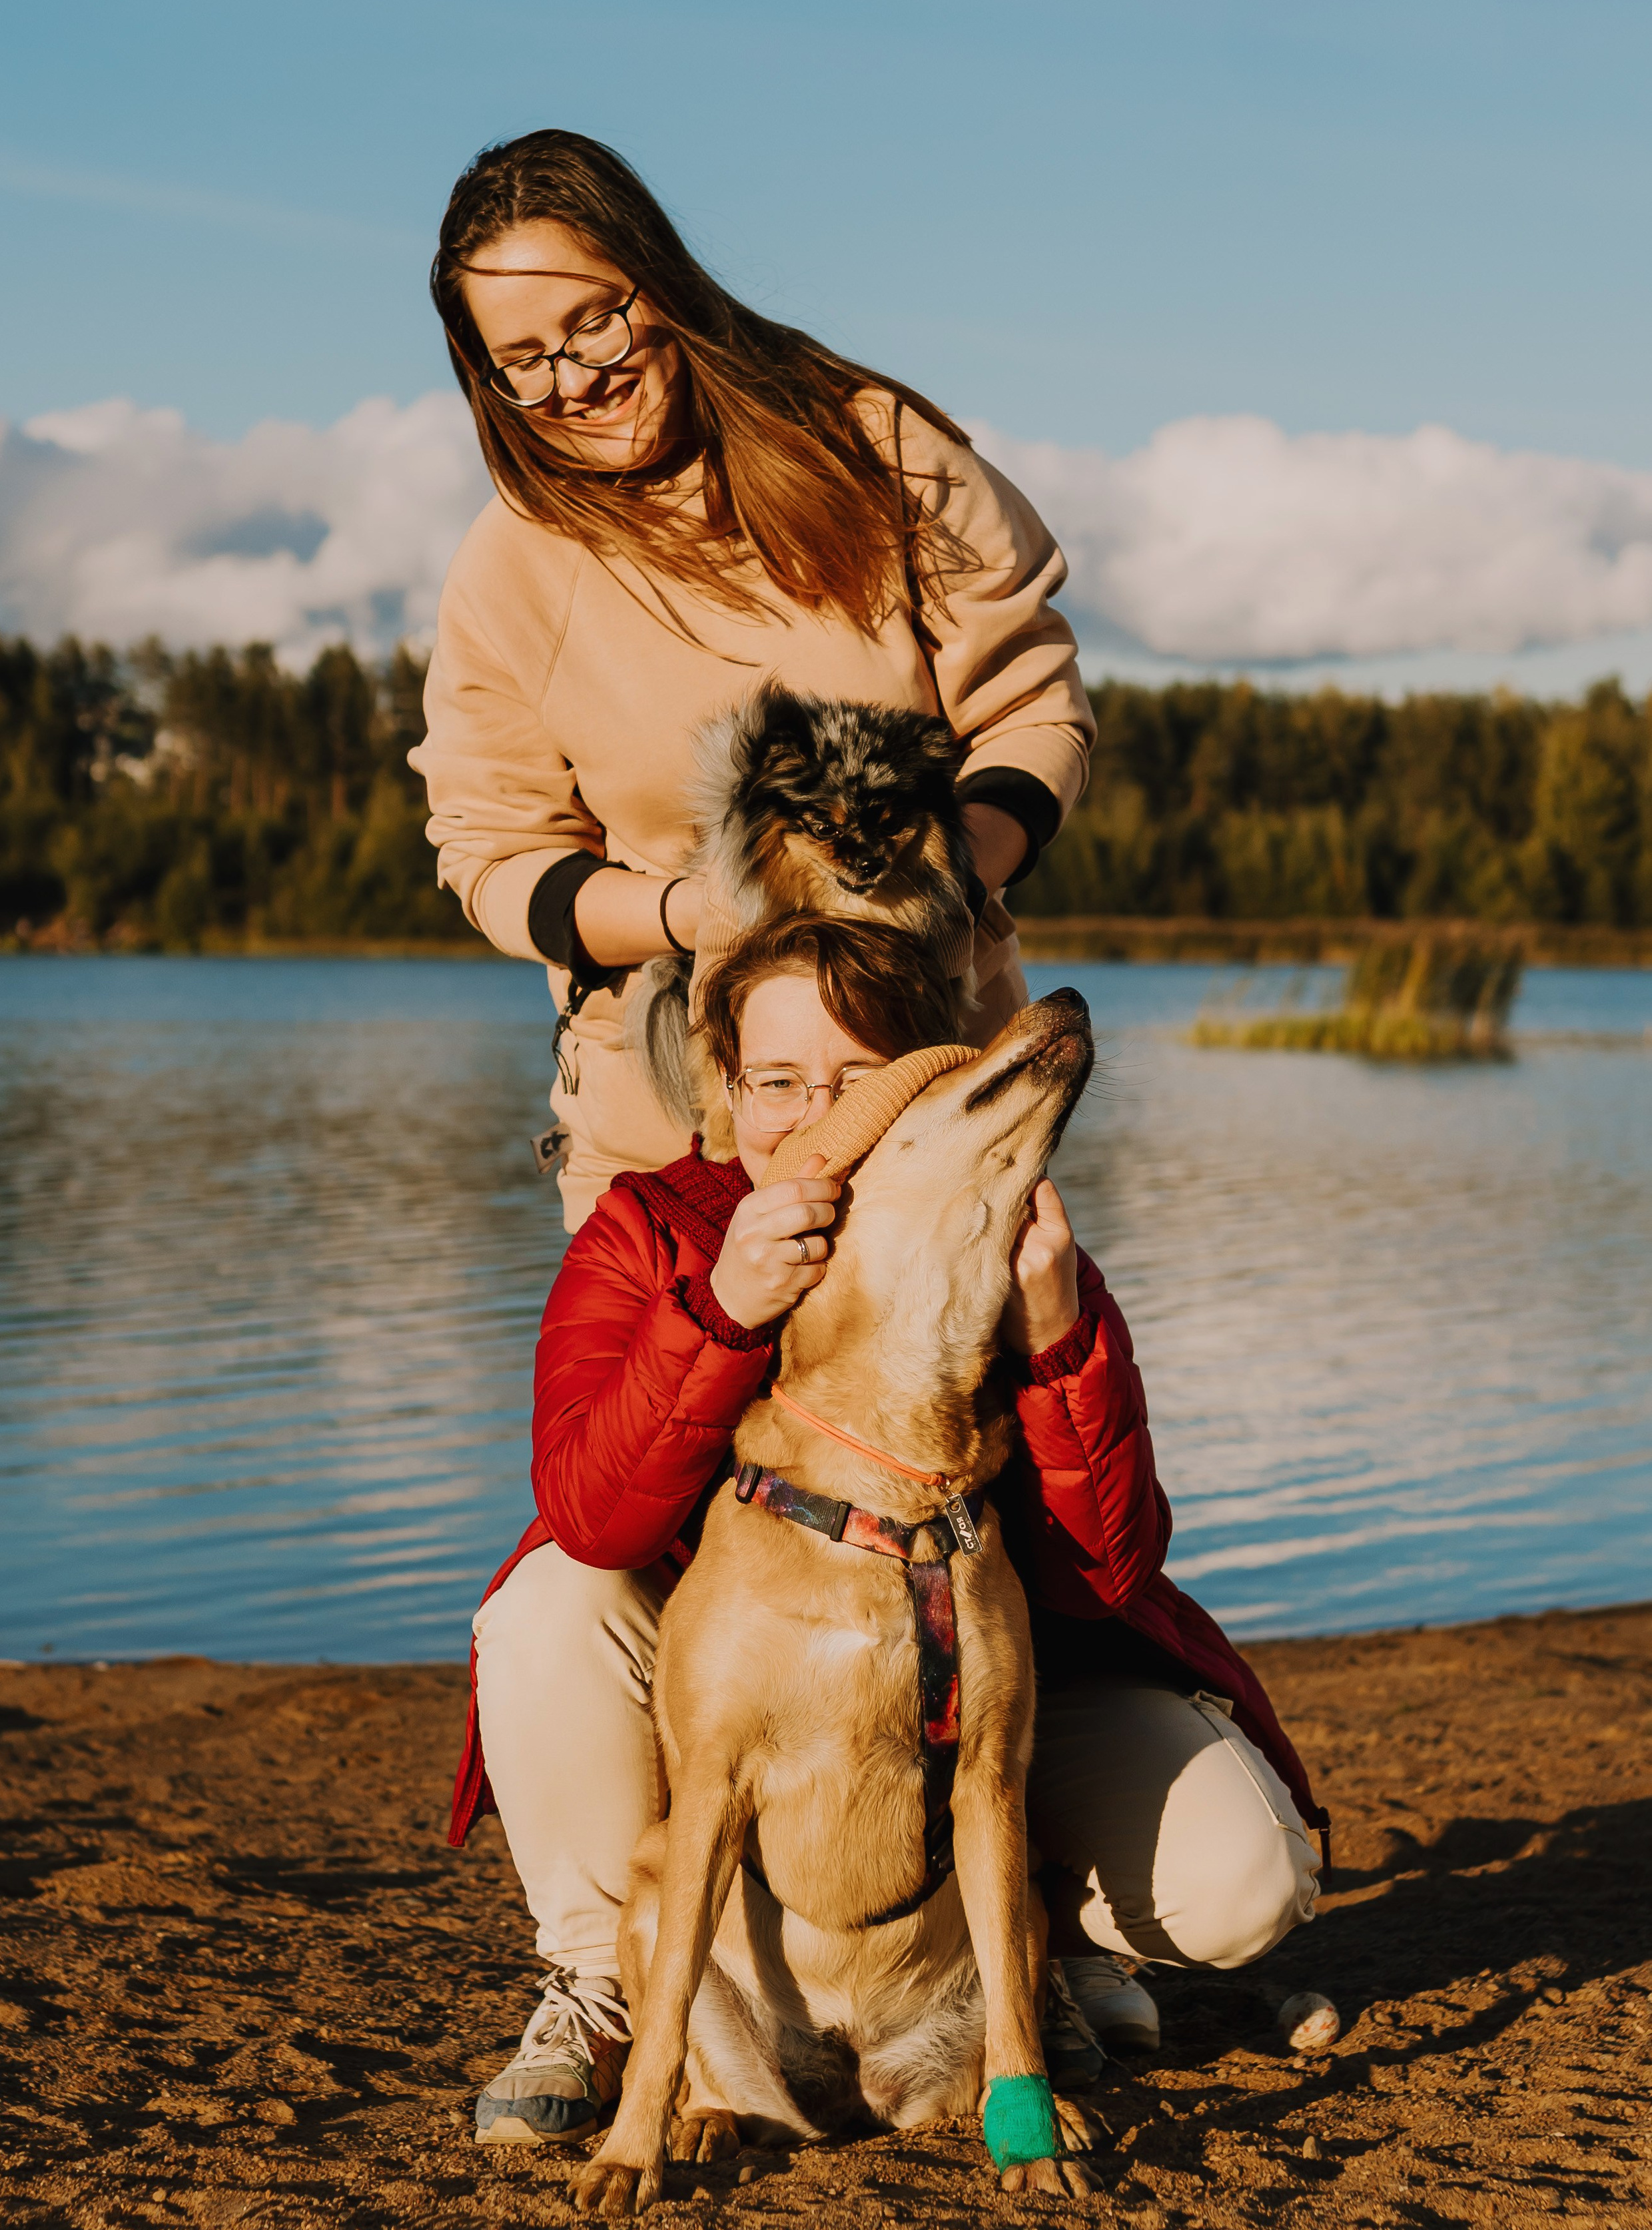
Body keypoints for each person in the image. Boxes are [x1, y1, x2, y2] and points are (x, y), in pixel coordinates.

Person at [456, 916, 1326, 2148]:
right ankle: (611, 1982)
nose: (814, 1110)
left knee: (1251, 1876)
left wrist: (1055, 1335)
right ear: (723, 1090)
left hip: (984, 1686)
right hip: (734, 1661)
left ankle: (1038, 1955)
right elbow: (596, 1513)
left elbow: (1114, 1570)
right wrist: (722, 1312)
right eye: (776, 1080)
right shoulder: (654, 1230)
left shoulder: (1010, 1229)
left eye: (857, 1076)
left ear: (926, 1083)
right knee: (549, 1600)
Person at [410, 129, 1096, 1229]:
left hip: (935, 1113)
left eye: (596, 320)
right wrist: (695, 914)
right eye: (525, 360)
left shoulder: (878, 451)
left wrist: (942, 878)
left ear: (661, 278)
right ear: (484, 375)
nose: (576, 379)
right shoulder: (508, 566)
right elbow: (495, 855)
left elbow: (1034, 710)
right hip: (659, 1156)